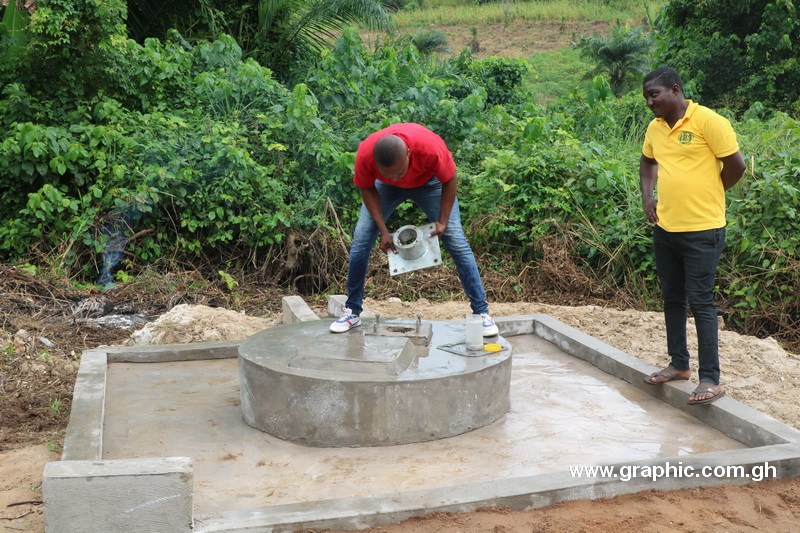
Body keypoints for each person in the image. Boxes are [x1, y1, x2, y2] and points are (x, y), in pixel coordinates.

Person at [639, 67, 746, 405]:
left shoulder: (709, 122)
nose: (650, 102)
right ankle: (679, 364)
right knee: (672, 298)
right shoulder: (655, 129)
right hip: (666, 228)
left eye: (654, 95)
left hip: (703, 229)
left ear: (674, 90)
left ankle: (710, 379)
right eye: (646, 97)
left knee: (700, 301)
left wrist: (711, 191)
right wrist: (647, 196)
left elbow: (736, 166)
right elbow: (647, 161)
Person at [330, 123, 499, 336]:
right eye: (389, 174)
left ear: (409, 154)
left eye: (400, 172)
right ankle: (352, 311)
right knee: (361, 242)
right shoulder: (365, 154)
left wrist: (443, 221)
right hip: (385, 189)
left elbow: (450, 179)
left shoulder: (429, 148)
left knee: (455, 240)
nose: (397, 178)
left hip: (431, 183)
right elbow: (366, 187)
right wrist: (383, 231)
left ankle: (481, 313)